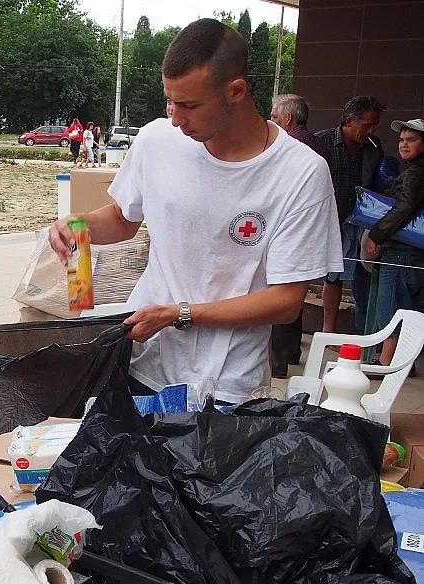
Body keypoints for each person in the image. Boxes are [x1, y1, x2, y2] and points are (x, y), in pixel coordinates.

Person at [49, 18, 343, 403]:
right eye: (169, 101)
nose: (175, 117)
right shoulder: (157, 140)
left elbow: (285, 301)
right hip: (140, 360)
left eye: (188, 105)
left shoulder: (299, 173)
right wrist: (77, 224)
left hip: (226, 384)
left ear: (235, 91)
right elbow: (122, 220)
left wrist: (179, 314)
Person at [268, 93, 329, 376]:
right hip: (308, 233)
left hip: (288, 231)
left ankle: (279, 364)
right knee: (296, 296)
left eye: (275, 117)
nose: (271, 122)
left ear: (288, 119)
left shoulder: (290, 151)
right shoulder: (317, 143)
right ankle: (291, 352)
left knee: (280, 298)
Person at [316, 96, 385, 335]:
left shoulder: (374, 147)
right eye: (367, 124)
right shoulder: (322, 141)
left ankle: (364, 330)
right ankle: (328, 330)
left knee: (364, 275)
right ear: (349, 121)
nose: (371, 130)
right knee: (333, 276)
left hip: (363, 221)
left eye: (374, 124)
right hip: (331, 220)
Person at [362, 118, 424, 368]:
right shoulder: (412, 169)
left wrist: (377, 235)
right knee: (408, 308)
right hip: (411, 252)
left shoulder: (414, 173)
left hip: (401, 251)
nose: (404, 145)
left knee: (393, 307)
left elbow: (404, 207)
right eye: (401, 140)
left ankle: (389, 363)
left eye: (412, 140)